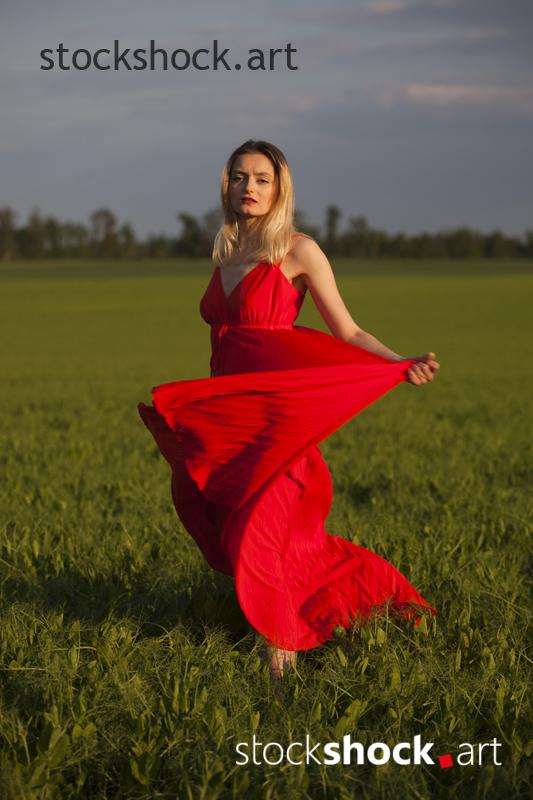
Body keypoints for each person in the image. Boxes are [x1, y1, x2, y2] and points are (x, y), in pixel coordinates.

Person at [138, 139, 440, 686]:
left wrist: (400, 362)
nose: (248, 187)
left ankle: (280, 670)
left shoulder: (298, 250)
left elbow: (347, 330)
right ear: (227, 185)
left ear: (280, 189)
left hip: (277, 419)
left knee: (263, 530)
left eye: (261, 179)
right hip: (231, 415)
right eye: (239, 177)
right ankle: (349, 598)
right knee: (237, 524)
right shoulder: (227, 250)